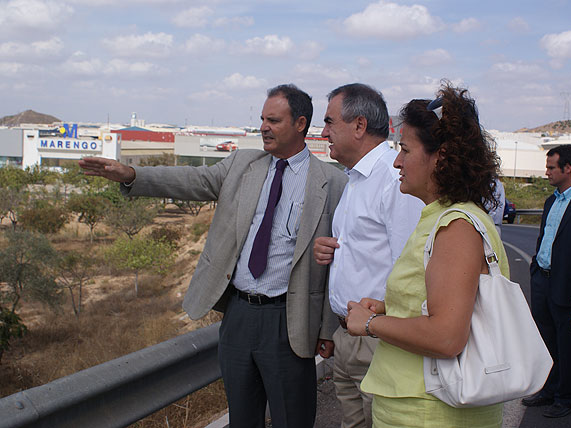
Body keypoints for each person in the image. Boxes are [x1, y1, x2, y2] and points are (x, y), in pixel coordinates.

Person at [79, 84, 348, 428]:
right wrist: (132, 175)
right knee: (242, 418)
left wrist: (327, 328)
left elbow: (335, 267)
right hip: (237, 316)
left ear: (299, 124)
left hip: (290, 322)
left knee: (291, 419)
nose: (263, 126)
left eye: (273, 120)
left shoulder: (331, 183)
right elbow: (191, 180)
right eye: (262, 119)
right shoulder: (242, 164)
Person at [345, 84, 509, 428]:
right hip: (420, 406)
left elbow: (447, 337)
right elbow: (447, 301)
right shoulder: (441, 217)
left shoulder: (456, 226)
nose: (397, 161)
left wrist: (371, 324)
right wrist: (392, 307)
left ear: (442, 156)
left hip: (430, 413)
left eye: (405, 149)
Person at [313, 83, 423, 427]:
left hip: (378, 341)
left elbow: (409, 269)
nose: (323, 132)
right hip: (349, 338)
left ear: (359, 126)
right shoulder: (356, 180)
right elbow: (364, 254)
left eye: (330, 122)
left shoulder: (394, 179)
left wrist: (376, 328)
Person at [521, 144, 571, 418]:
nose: (547, 172)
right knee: (546, 341)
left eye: (552, 167)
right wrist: (535, 267)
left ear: (568, 169)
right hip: (544, 280)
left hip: (570, 288)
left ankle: (567, 397)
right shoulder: (551, 200)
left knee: (569, 345)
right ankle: (548, 390)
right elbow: (545, 238)